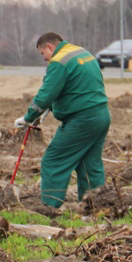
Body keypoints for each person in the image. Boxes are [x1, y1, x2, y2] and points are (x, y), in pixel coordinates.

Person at [15, 32, 110, 209]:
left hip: (82, 119)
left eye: (43, 53)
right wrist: (52, 107)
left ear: (50, 47)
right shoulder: (81, 52)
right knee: (90, 164)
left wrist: (29, 117)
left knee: (54, 160)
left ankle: (49, 207)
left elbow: (46, 93)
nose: (44, 59)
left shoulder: (58, 61)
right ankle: (96, 207)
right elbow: (77, 85)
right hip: (102, 115)